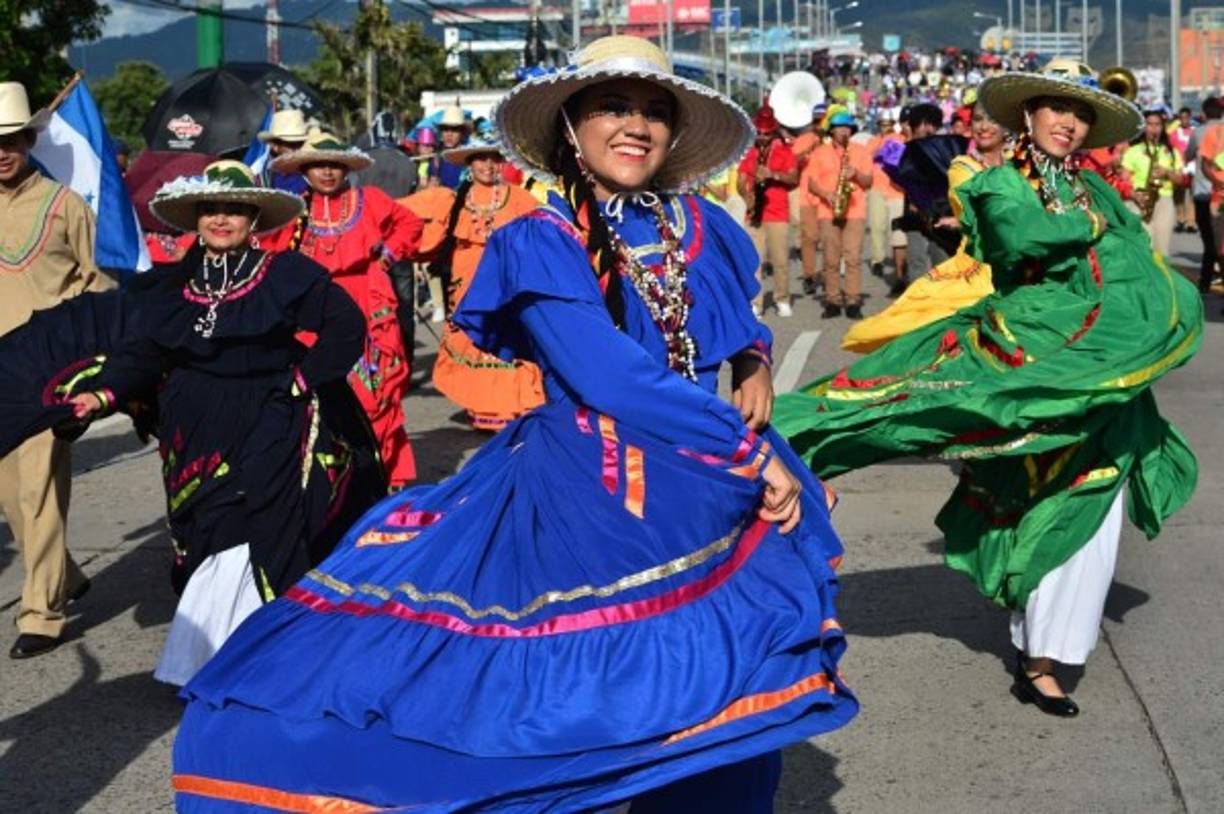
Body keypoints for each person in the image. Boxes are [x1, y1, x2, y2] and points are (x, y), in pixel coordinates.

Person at [171, 35, 855, 812]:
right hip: (601, 493)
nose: (636, 126)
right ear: (571, 125)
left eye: (655, 112)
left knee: (735, 706)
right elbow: (606, 374)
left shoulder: (698, 224)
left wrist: (754, 359)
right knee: (573, 708)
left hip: (710, 486)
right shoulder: (542, 239)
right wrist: (743, 450)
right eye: (614, 107)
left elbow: (730, 313)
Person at [775, 59, 1202, 716]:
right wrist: (1089, 227)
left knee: (1093, 506)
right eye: (1057, 108)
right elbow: (1019, 237)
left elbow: (1134, 257)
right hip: (1024, 361)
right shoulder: (999, 183)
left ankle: (1045, 659)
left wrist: (1146, 312)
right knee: (905, 414)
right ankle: (765, 459)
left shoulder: (1096, 188)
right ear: (1028, 114)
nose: (1069, 122)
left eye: (1081, 113)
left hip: (1099, 370)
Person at [0, 160, 386, 682]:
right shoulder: (168, 286)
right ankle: (213, 656)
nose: (221, 219)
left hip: (269, 416)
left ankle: (255, 657)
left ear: (254, 218)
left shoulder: (286, 274)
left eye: (234, 210)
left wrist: (300, 381)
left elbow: (345, 327)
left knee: (256, 525)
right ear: (196, 219)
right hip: (193, 426)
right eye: (210, 210)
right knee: (205, 532)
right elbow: (143, 353)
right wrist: (102, 395)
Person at [0, 81, 114, 660]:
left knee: (39, 490)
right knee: (9, 497)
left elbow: (99, 284)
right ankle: (63, 572)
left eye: (11, 140)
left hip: (47, 374)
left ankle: (41, 613)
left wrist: (92, 370)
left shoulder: (65, 205)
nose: (2, 152)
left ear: (29, 140)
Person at [265, 133, 425, 488]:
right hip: (315, 313)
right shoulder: (293, 211)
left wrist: (386, 257)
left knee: (376, 393)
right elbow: (268, 252)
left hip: (367, 303)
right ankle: (332, 481)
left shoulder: (370, 200)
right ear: (304, 170)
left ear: (346, 169)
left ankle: (384, 474)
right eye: (318, 165)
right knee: (321, 395)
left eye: (335, 165)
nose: (327, 172)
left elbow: (410, 223)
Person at [843, 100, 1007, 352]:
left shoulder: (962, 151)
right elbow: (893, 170)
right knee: (921, 270)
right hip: (930, 225)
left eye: (992, 120)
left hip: (992, 250)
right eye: (977, 120)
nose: (984, 127)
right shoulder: (949, 160)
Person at [416, 136, 545, 431]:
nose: (487, 165)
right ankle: (483, 406)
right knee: (473, 340)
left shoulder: (520, 198)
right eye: (480, 159)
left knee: (508, 339)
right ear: (469, 164)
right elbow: (408, 219)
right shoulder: (454, 200)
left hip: (506, 284)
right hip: (467, 284)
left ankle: (513, 404)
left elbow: (547, 229)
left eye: (493, 158)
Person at [804, 108, 873, 319]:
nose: (844, 131)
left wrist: (856, 174)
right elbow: (811, 183)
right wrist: (827, 195)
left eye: (847, 127)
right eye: (839, 127)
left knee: (853, 258)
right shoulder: (820, 152)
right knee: (830, 259)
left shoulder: (860, 151)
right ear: (831, 131)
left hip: (855, 210)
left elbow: (869, 182)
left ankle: (853, 300)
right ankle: (832, 300)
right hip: (828, 210)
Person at [738, 105, 799, 316]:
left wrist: (773, 175)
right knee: (754, 261)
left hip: (777, 213)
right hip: (754, 214)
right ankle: (756, 303)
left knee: (780, 260)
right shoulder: (750, 153)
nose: (762, 138)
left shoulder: (784, 152)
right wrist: (746, 195)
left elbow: (794, 177)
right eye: (759, 133)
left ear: (773, 133)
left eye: (766, 134)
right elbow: (740, 180)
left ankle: (782, 298)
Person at [1120, 108, 1186, 257]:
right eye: (1149, 124)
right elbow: (1124, 179)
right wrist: (1134, 194)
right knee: (1144, 247)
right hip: (1139, 200)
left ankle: (1161, 271)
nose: (1154, 128)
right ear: (1144, 127)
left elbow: (1180, 180)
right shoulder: (1133, 151)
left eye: (1157, 124)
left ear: (1162, 127)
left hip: (1164, 199)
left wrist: (1166, 172)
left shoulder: (1171, 152)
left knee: (1162, 249)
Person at [896, 102, 946, 294]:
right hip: (914, 212)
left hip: (940, 213)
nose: (928, 129)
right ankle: (919, 303)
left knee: (941, 259)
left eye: (932, 124)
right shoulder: (904, 150)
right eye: (923, 124)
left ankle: (942, 302)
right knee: (917, 259)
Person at [1182, 96, 1223, 293]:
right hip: (1217, 193)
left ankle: (1206, 280)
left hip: (1203, 192)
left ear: (1204, 114)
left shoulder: (1198, 132)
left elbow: (1188, 155)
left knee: (1209, 240)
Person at [866, 108, 906, 279]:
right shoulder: (872, 141)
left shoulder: (899, 138)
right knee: (877, 226)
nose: (885, 127)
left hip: (895, 190)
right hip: (876, 188)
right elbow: (866, 158)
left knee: (897, 229)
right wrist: (879, 147)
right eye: (882, 124)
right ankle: (878, 260)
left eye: (888, 124)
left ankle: (901, 263)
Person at [255, 109, 313, 195]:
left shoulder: (313, 174)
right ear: (275, 146)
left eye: (301, 144)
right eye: (292, 145)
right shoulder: (262, 179)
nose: (299, 149)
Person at [1168, 106, 1196, 232]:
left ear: (1190, 118)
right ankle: (1180, 220)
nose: (1184, 120)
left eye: (1186, 117)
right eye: (1182, 118)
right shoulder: (1173, 134)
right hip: (1179, 167)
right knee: (1178, 195)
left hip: (1193, 167)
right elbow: (1170, 150)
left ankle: (1191, 222)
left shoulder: (1195, 131)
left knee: (1193, 195)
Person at [435, 105, 469, 190]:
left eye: (454, 129)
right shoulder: (437, 160)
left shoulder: (469, 158)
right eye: (445, 129)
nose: (449, 134)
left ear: (462, 133)